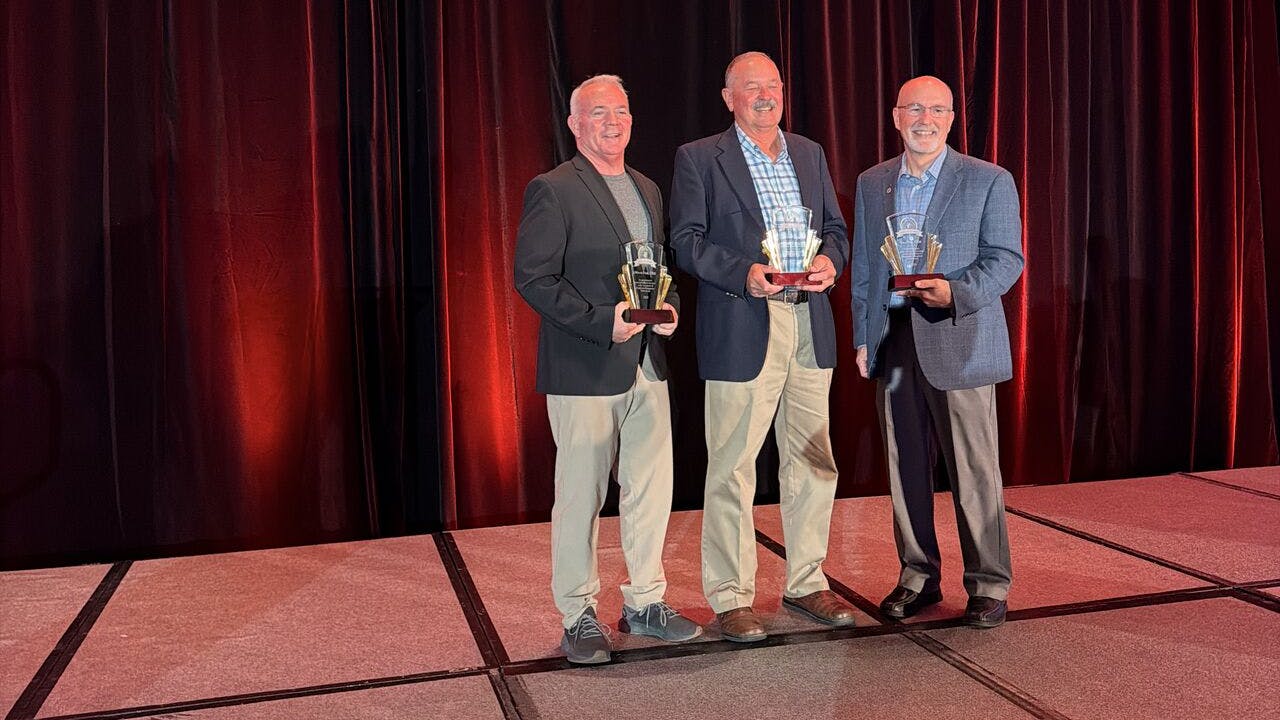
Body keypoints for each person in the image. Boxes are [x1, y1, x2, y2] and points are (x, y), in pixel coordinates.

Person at [514, 74, 701, 664]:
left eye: (620, 111)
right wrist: (604, 320)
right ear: (575, 124)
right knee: (582, 496)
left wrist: (666, 312)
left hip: (648, 363)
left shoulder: (646, 187)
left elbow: (653, 270)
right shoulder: (553, 188)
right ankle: (577, 613)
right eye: (599, 113)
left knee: (651, 491)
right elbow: (533, 278)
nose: (613, 122)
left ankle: (644, 603)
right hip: (585, 366)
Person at [669, 52, 855, 642]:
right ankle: (730, 596)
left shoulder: (810, 152)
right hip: (742, 323)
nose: (764, 95)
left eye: (772, 85)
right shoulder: (699, 158)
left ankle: (806, 581)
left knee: (813, 459)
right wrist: (745, 272)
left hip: (809, 324)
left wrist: (829, 260)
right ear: (729, 98)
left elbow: (837, 230)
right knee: (731, 466)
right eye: (751, 87)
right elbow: (686, 243)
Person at [850, 75, 1024, 628]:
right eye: (914, 109)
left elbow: (1006, 258)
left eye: (938, 110)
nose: (925, 119)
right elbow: (864, 270)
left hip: (960, 334)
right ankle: (918, 575)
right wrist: (861, 333)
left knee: (974, 467)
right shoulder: (872, 182)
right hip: (894, 340)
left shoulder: (988, 179)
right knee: (904, 467)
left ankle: (988, 583)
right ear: (896, 116)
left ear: (951, 119)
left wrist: (956, 291)